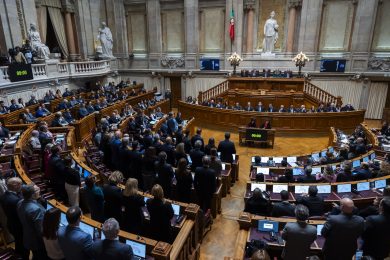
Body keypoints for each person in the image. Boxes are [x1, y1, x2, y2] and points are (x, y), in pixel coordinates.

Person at [0, 177, 29, 259]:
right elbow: (22, 214)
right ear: (15, 186)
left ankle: (18, 255)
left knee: (18, 243)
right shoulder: (16, 201)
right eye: (21, 184)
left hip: (11, 224)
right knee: (24, 247)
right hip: (19, 227)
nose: (22, 186)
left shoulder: (4, 195)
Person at [17, 184, 47, 260]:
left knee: (36, 255)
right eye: (37, 190)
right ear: (33, 194)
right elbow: (40, 230)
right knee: (40, 256)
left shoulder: (19, 202)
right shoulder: (36, 209)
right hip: (37, 242)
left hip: (27, 236)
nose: (39, 190)